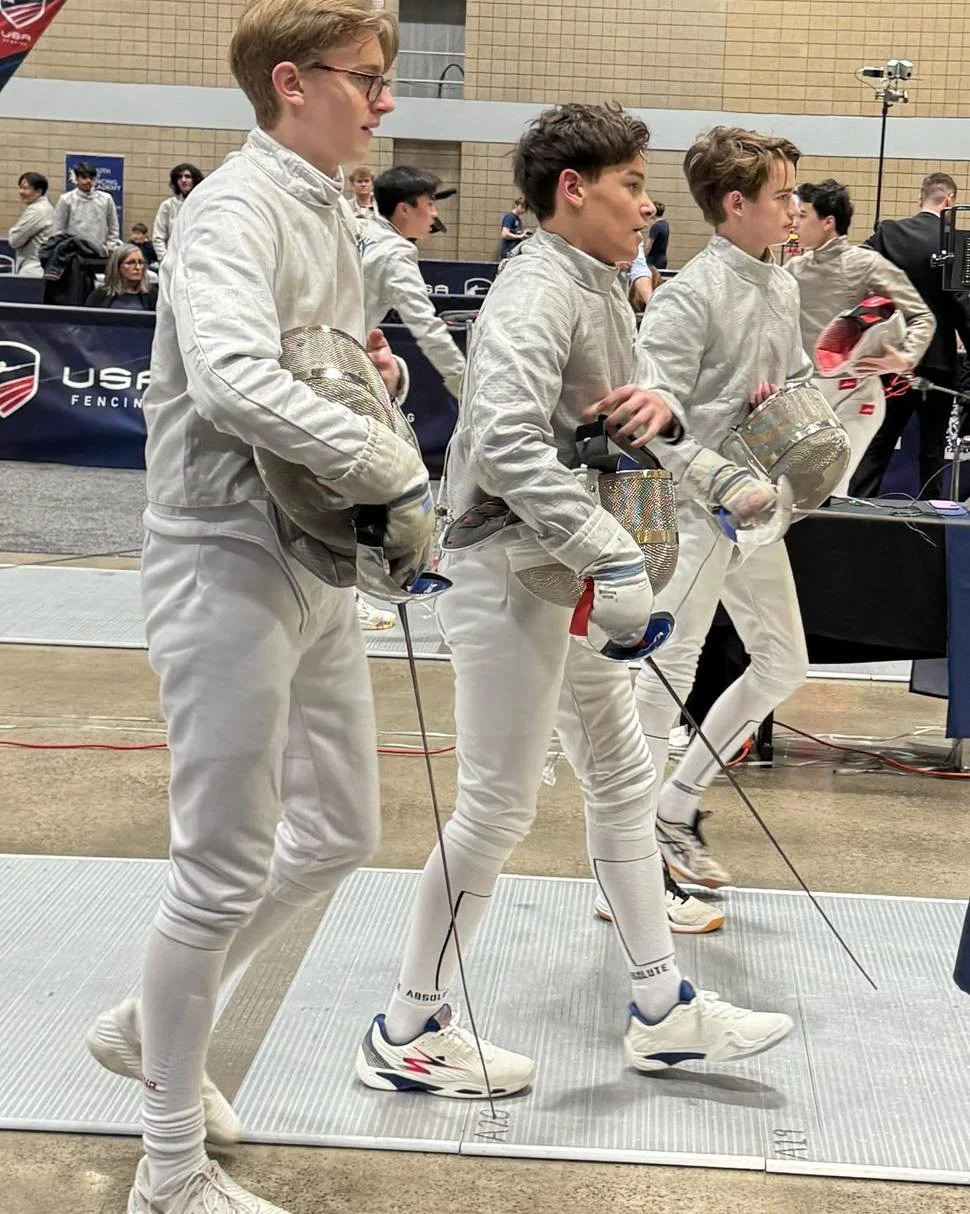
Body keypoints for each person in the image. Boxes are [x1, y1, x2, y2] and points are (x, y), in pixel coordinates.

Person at [356, 104, 793, 1102]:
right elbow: (507, 444)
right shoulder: (534, 292)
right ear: (571, 187)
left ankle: (661, 1006)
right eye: (631, 182)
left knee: (619, 777)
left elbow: (635, 414)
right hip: (512, 575)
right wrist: (617, 561)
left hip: (570, 581)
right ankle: (407, 1023)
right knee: (499, 803)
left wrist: (711, 470)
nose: (646, 201)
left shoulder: (600, 287)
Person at [82, 4, 425, 1213]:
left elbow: (302, 361)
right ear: (292, 82)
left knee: (336, 829)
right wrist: (384, 461)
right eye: (367, 80)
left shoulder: (329, 206)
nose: (385, 100)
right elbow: (230, 378)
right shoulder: (233, 205)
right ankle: (167, 1171)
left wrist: (365, 381)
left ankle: (144, 1023)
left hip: (311, 554)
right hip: (222, 558)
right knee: (220, 865)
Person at [599, 126, 813, 891]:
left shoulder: (782, 284)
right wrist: (722, 482)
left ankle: (675, 805)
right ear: (735, 203)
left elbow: (789, 387)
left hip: (756, 516)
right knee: (665, 676)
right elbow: (651, 424)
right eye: (782, 195)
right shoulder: (688, 297)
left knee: (785, 660)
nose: (796, 208)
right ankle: (634, 872)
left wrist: (802, 400)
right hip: (691, 513)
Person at [788, 179, 935, 494]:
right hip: (809, 396)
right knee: (795, 489)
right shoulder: (793, 270)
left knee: (828, 488)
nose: (794, 222)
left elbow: (922, 316)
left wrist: (905, 358)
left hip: (855, 396)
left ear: (828, 222)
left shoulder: (866, 264)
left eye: (802, 215)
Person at [849, 172, 970, 499]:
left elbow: (857, 276)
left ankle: (856, 512)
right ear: (949, 201)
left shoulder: (887, 232)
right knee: (932, 451)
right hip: (938, 363)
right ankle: (933, 525)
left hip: (892, 361)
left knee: (879, 442)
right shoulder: (954, 242)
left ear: (922, 199)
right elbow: (961, 304)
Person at [362, 165, 465, 399]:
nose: (435, 214)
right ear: (404, 209)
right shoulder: (396, 253)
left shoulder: (366, 231)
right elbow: (426, 327)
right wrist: (464, 386)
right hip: (330, 355)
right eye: (429, 204)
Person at [52, 163, 120, 254]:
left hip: (99, 252)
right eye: (84, 177)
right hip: (74, 253)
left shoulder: (106, 199)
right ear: (76, 178)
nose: (88, 181)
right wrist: (63, 249)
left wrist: (110, 246)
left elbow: (113, 226)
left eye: (92, 178)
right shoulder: (66, 200)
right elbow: (58, 228)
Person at [152, 163, 204, 263]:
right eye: (180, 177)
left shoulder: (202, 204)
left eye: (187, 177)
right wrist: (165, 260)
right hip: (172, 261)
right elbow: (158, 237)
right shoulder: (167, 206)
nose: (183, 180)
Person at [84, 243, 159, 309]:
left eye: (141, 262)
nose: (138, 267)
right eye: (131, 262)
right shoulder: (98, 295)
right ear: (117, 266)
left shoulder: (153, 296)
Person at [9, 171, 54, 276]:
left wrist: (12, 231)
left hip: (33, 269)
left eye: (25, 188)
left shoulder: (37, 210)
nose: (21, 192)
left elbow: (15, 240)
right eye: (20, 187)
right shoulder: (44, 206)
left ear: (39, 191)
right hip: (39, 266)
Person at [643, 199, 669, 269]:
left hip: (653, 260)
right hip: (662, 259)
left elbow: (648, 246)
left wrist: (642, 258)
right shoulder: (665, 224)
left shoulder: (656, 226)